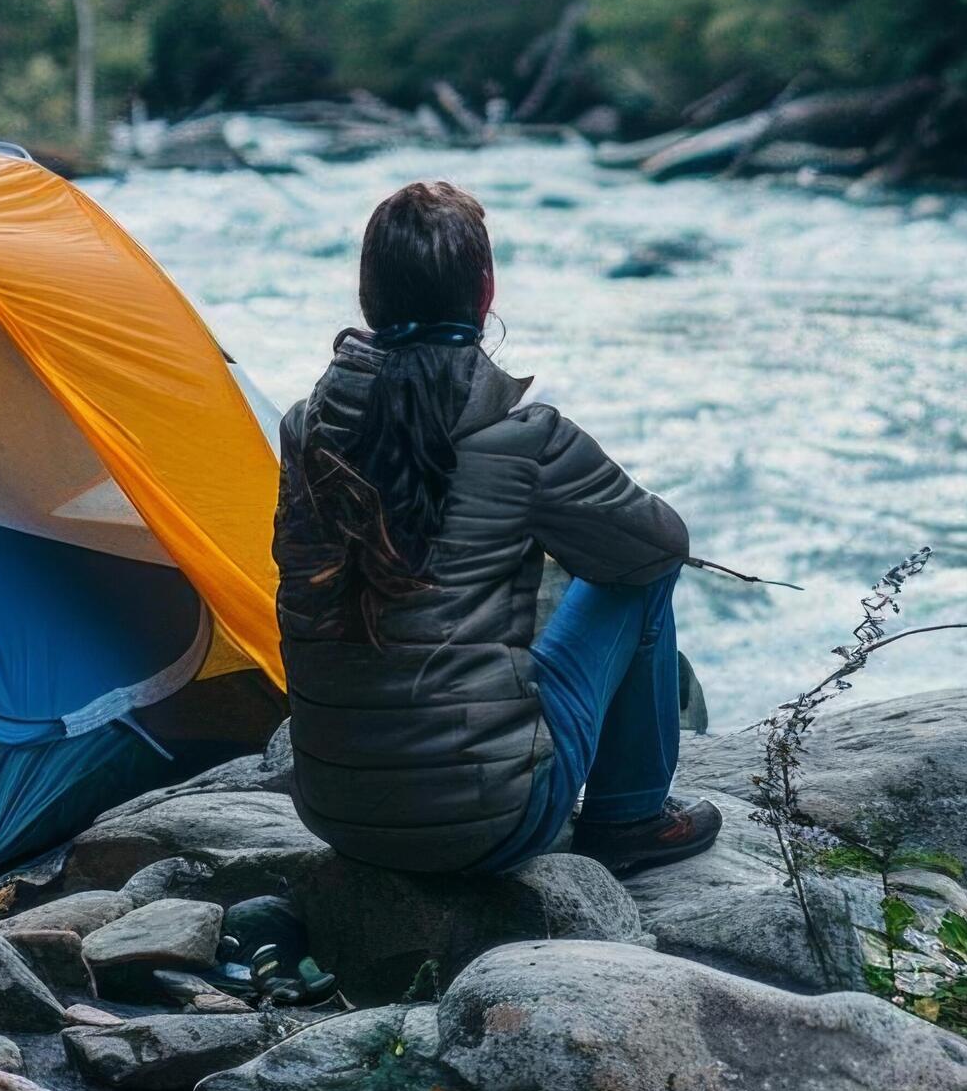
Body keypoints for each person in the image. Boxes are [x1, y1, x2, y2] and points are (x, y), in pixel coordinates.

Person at [272, 179, 721, 877]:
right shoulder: (523, 437)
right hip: (492, 825)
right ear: (485, 293)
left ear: (369, 297)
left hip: (334, 814)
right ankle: (630, 817)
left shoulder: (305, 428)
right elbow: (661, 545)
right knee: (643, 572)